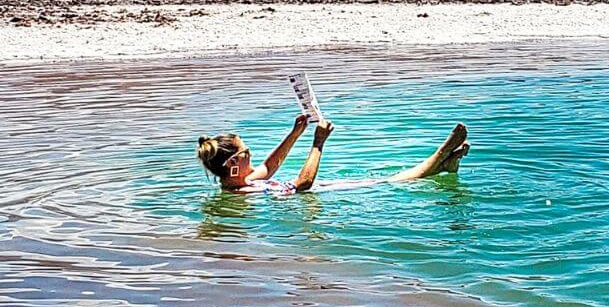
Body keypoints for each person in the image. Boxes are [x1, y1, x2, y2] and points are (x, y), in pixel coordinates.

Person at [196, 115, 469, 194]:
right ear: (233, 163)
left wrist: (296, 133)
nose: (251, 154)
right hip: (322, 196)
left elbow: (271, 165)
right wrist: (318, 143)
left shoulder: (240, 182)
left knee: (389, 179)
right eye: (247, 152)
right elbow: (302, 184)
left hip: (324, 190)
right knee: (391, 182)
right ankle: (441, 155)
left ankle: (445, 165)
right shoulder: (244, 195)